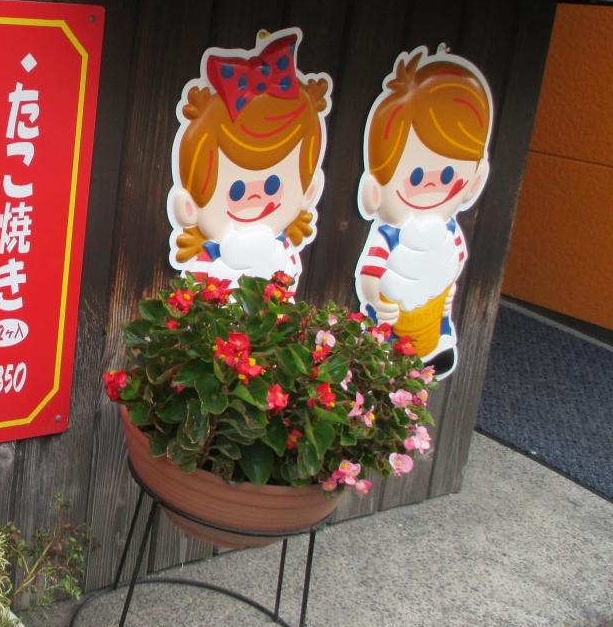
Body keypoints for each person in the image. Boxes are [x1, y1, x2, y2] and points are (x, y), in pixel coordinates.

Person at [354, 45, 493, 378]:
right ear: (375, 191)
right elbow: (370, 275)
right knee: (384, 340)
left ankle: (433, 352)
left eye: (448, 176)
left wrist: (449, 291)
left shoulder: (449, 233)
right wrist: (377, 300)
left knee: (433, 335)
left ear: (474, 181)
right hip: (392, 318)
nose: (432, 184)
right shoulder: (389, 237)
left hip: (433, 312)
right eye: (415, 176)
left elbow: (456, 262)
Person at [167, 27, 331, 288]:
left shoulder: (283, 254)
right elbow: (193, 299)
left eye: (272, 185)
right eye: (237, 190)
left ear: (309, 191)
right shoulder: (208, 259)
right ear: (188, 206)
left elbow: (287, 292)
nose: (255, 197)